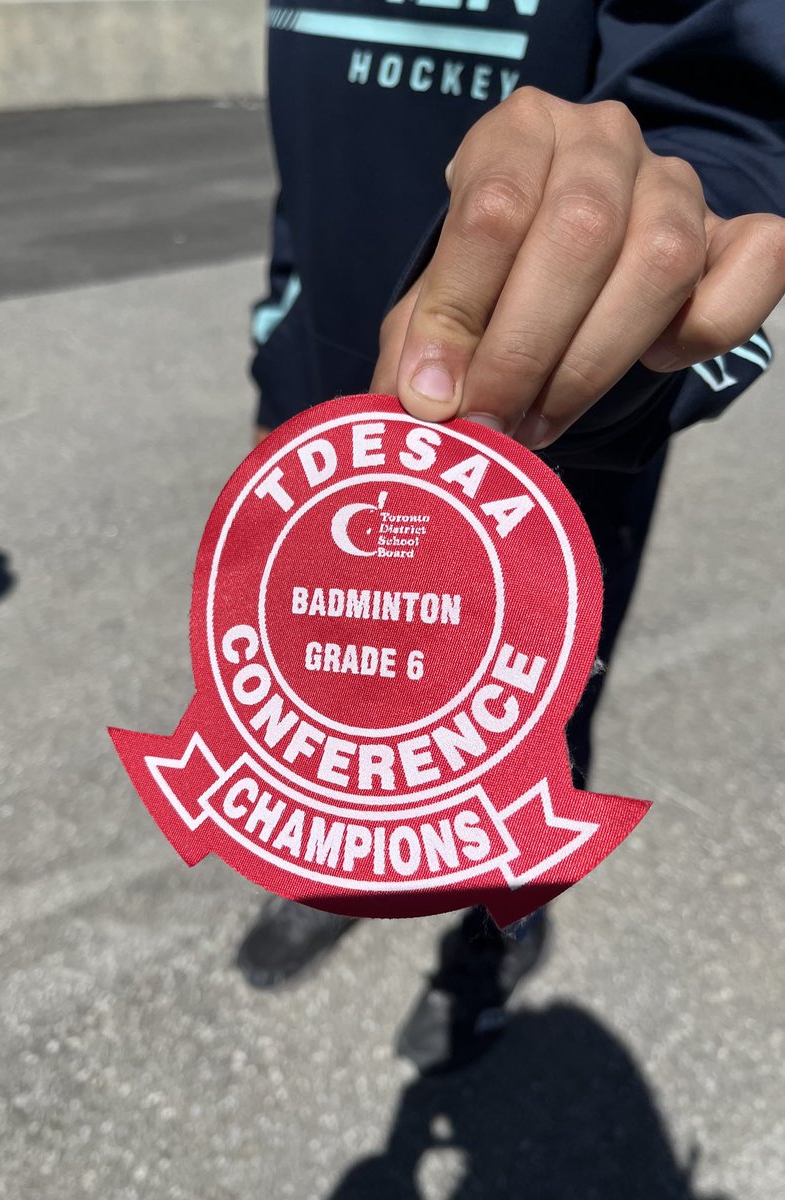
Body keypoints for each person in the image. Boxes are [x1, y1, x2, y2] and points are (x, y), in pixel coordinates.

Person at [236, 0, 785, 1074]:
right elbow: (306, 173)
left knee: (524, 732)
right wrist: (277, 363)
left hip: (546, 455)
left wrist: (644, 256)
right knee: (345, 693)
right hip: (326, 444)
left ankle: (501, 927)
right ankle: (340, 868)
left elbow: (729, 130)